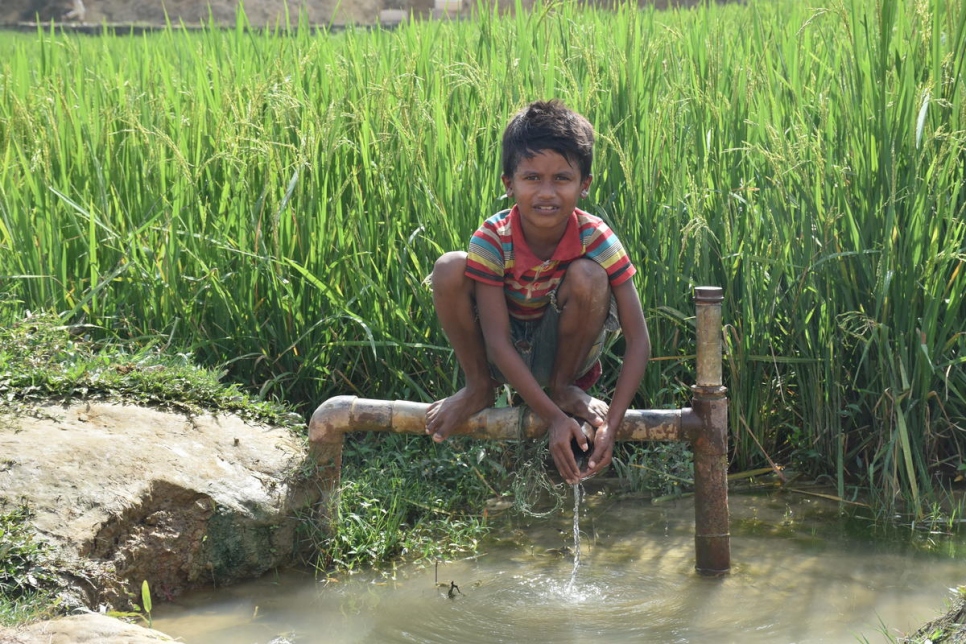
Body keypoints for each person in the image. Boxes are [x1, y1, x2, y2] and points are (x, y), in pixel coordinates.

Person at [425, 99, 651, 484]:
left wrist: (611, 426)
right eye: (532, 178)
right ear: (509, 184)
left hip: (564, 354)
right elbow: (497, 342)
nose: (547, 192)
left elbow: (639, 341)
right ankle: (478, 385)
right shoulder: (492, 238)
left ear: (584, 186)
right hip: (501, 355)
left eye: (562, 178)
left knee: (589, 277)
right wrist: (556, 420)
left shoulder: (596, 237)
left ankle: (563, 387)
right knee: (449, 267)